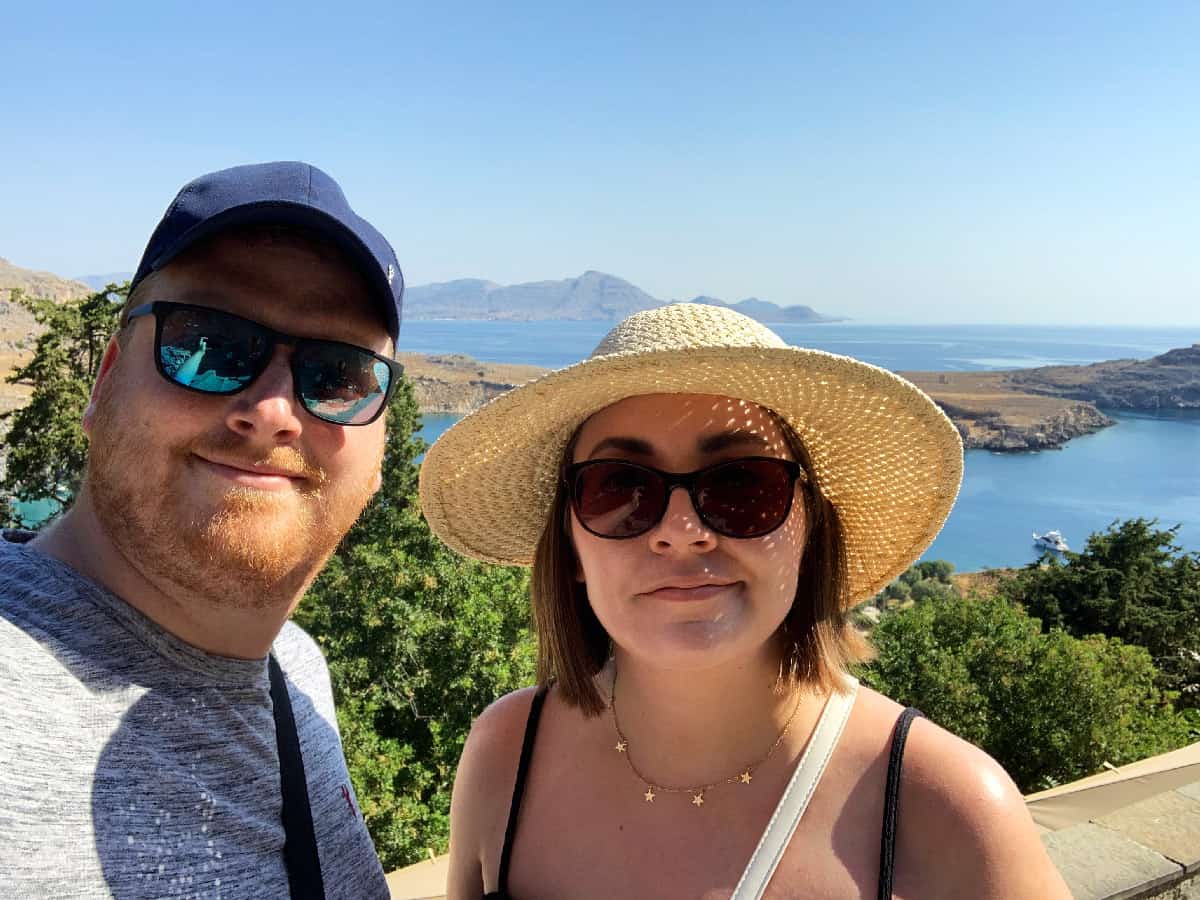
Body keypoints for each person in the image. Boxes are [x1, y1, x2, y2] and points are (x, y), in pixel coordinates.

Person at [418, 303, 1072, 899]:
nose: (682, 530)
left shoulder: (948, 810)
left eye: (742, 485)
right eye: (620, 489)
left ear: (810, 528)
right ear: (571, 543)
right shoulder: (506, 751)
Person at [0, 162, 403, 899]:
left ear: (380, 457)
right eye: (210, 343)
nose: (276, 410)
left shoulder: (297, 671)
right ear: (105, 383)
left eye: (339, 374)